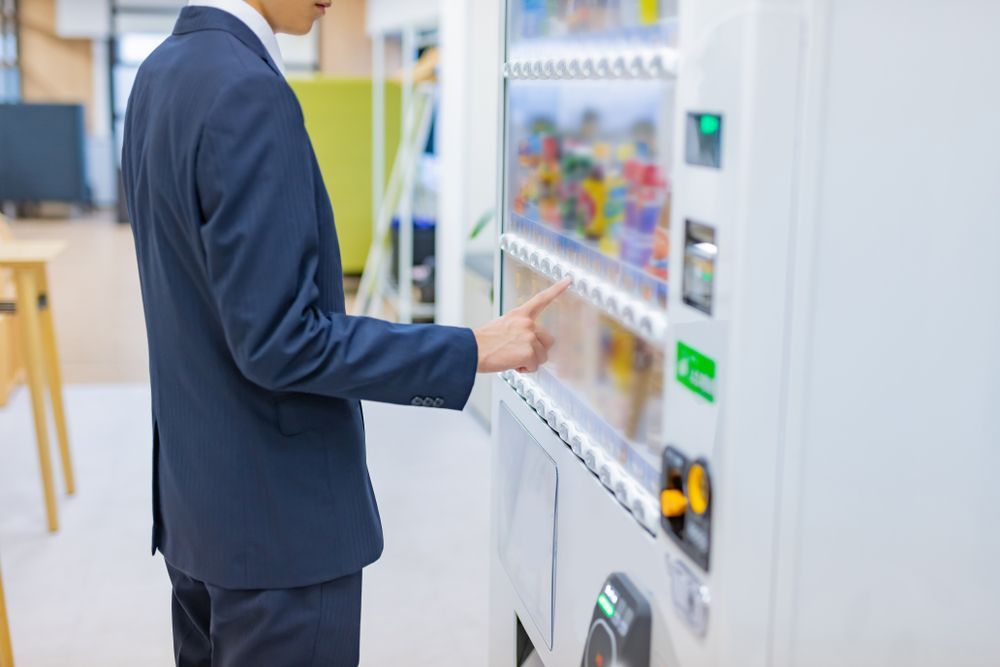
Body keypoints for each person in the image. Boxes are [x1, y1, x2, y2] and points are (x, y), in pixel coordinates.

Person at [121, 1, 568, 665]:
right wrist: (471, 349)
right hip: (275, 532)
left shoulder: (159, 73)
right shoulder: (248, 92)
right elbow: (281, 339)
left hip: (199, 513)